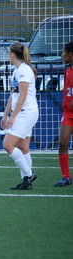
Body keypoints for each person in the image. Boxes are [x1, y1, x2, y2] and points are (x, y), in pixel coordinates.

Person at [1, 42, 39, 190]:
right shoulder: (17, 70)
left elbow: (22, 96)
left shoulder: (24, 70)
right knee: (23, 147)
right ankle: (26, 181)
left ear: (12, 54)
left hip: (26, 113)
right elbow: (14, 96)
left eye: (8, 53)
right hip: (24, 113)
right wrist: (5, 115)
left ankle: (29, 175)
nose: (8, 56)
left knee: (7, 144)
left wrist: (13, 117)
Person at [54, 41, 73, 187]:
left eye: (64, 52)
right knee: (62, 143)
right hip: (68, 113)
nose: (62, 55)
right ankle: (66, 177)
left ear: (70, 54)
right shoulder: (67, 69)